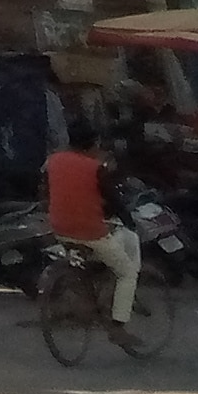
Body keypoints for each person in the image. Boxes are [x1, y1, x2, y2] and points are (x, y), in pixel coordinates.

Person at [42, 134, 143, 353]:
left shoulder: (54, 161)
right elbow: (113, 199)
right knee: (126, 272)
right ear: (94, 145)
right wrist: (130, 222)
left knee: (86, 258)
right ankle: (118, 327)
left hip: (59, 227)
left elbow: (47, 190)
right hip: (89, 230)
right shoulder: (95, 168)